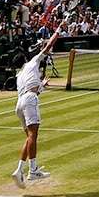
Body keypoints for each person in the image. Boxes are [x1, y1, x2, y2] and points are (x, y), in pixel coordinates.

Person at [11, 30, 58, 188]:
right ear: (25, 59)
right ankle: (33, 170)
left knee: (30, 138)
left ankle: (19, 170)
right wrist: (58, 31)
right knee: (33, 135)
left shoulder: (19, 76)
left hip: (19, 104)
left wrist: (41, 87)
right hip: (29, 100)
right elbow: (48, 46)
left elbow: (31, 90)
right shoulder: (32, 62)